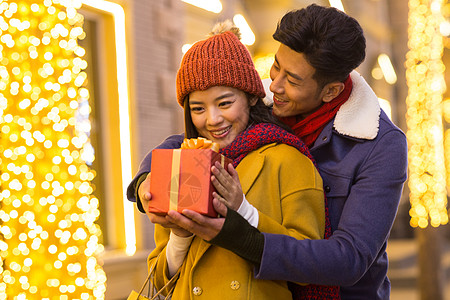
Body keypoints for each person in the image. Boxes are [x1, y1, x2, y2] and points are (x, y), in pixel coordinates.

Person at [129, 4, 408, 299]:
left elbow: (348, 259)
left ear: (331, 91)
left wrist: (240, 229)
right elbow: (193, 136)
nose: (274, 84)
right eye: (277, 66)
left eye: (293, 79)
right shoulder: (262, 104)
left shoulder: (379, 144)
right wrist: (146, 178)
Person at [145, 21, 335, 299]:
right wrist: (180, 236)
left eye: (224, 103)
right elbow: (163, 279)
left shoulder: (287, 159)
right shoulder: (183, 164)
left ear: (251, 98)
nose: (212, 119)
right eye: (198, 108)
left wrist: (243, 210)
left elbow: (310, 266)